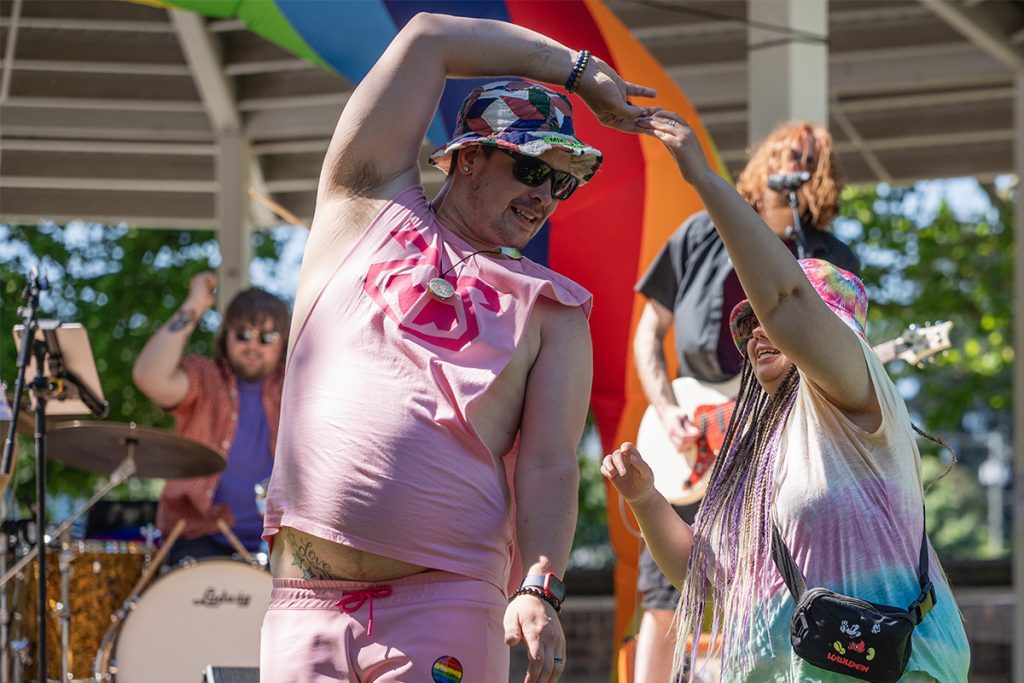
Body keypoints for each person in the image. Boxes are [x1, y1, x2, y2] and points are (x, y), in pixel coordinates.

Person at [257, 12, 657, 683]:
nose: (543, 197)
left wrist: (538, 585)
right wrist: (581, 73)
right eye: (532, 168)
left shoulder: (556, 310)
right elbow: (428, 39)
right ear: (469, 154)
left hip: (444, 608)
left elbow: (551, 467)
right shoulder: (362, 203)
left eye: (561, 182)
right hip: (303, 606)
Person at [603, 111, 970, 682]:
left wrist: (702, 177)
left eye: (768, 320)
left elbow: (788, 304)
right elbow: (709, 581)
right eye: (747, 327)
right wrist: (647, 500)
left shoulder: (855, 395)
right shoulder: (756, 449)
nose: (756, 333)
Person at [631, 121, 860, 682]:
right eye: (783, 153)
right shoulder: (699, 233)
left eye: (807, 159)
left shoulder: (831, 256)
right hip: (694, 432)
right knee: (665, 585)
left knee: (782, 574)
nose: (792, 166)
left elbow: (847, 350)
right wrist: (666, 410)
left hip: (785, 440)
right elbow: (647, 334)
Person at [133, 272, 288, 565]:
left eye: (267, 337)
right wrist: (195, 303)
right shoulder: (205, 377)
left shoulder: (297, 383)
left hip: (282, 543)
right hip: (199, 537)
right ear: (226, 335)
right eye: (243, 334)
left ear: (283, 344)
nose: (253, 346)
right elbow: (148, 375)